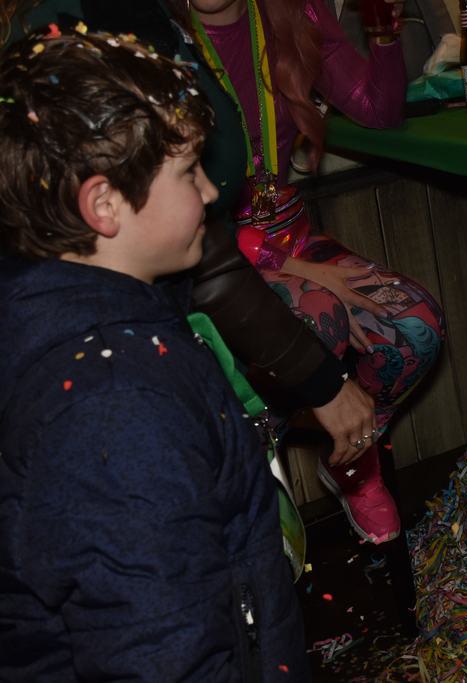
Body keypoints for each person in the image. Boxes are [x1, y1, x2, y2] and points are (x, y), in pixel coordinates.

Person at [0, 0, 416, 545]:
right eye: (190, 170)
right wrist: (320, 382)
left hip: (197, 287)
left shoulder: (155, 18)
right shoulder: (110, 385)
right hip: (202, 292)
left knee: (411, 325)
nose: (208, 186)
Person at [0, 29, 307, 680]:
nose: (210, 192)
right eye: (188, 172)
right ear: (104, 204)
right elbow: (161, 651)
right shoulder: (114, 406)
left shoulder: (106, 326)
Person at [184, 0, 446, 545]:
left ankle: (352, 454)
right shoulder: (155, 29)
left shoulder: (291, 12)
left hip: (293, 236)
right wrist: (296, 271)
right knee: (317, 318)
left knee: (415, 326)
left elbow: (378, 110)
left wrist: (384, 31)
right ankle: (255, 471)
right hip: (211, 257)